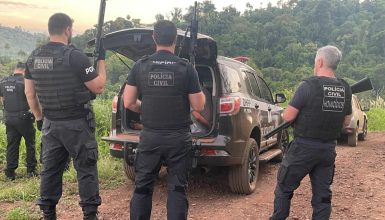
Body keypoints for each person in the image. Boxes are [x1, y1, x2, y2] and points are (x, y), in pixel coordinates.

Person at [24, 13, 107, 220]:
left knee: (50, 170)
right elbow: (98, 87)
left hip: (50, 124)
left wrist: (39, 118)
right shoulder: (75, 56)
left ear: (50, 29)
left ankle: (48, 213)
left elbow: (29, 93)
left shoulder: (33, 57)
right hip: (77, 123)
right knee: (85, 168)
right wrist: (102, 61)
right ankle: (89, 215)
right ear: (68, 30)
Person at [124, 20, 205, 220]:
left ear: (154, 38)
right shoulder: (186, 68)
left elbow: (128, 102)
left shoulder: (140, 66)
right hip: (178, 138)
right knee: (177, 189)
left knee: (142, 187)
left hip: (150, 137)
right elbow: (198, 106)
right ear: (175, 40)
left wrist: (147, 106)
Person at [270, 45, 352, 220]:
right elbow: (346, 121)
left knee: (284, 188)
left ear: (320, 61)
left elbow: (289, 116)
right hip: (328, 150)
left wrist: (285, 112)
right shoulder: (345, 88)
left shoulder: (308, 85)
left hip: (303, 148)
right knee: (323, 196)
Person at [0, 62, 37, 180]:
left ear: (15, 69)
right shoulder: (25, 82)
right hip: (24, 117)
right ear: (25, 70)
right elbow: (31, 96)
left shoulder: (3, 82)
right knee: (30, 143)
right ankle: (31, 171)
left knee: (12, 145)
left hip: (9, 118)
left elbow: (2, 99)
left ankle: (10, 172)